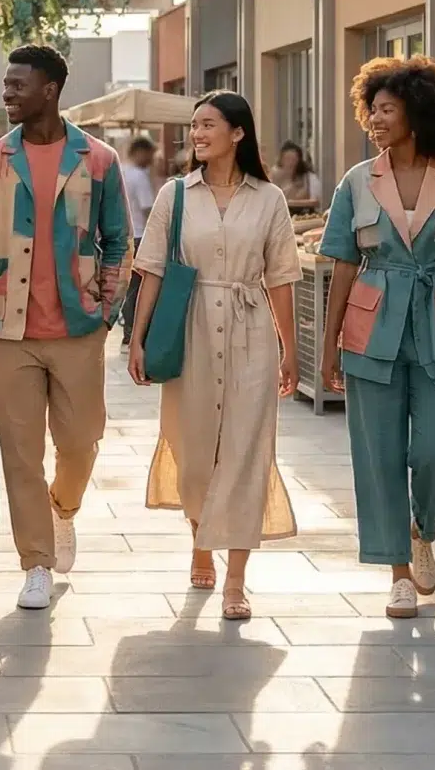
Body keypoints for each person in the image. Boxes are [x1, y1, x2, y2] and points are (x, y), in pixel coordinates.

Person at [316, 56, 435, 620]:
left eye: (386, 109)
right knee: (379, 455)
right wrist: (327, 350)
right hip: (370, 329)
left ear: (417, 113)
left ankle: (423, 524)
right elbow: (343, 265)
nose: (374, 118)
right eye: (371, 108)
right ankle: (397, 571)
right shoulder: (356, 181)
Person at [0, 44, 129, 611]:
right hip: (10, 330)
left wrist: (105, 309)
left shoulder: (98, 160)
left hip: (79, 328)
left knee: (81, 441)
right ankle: (36, 562)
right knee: (20, 451)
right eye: (6, 85)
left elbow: (117, 241)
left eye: (17, 85)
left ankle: (64, 509)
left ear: (49, 90)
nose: (6, 93)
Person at [126, 91, 299, 620]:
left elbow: (283, 278)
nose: (197, 135)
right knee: (195, 451)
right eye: (194, 127)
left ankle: (236, 581)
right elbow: (151, 268)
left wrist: (290, 349)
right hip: (191, 329)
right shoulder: (174, 195)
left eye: (207, 125)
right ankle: (201, 537)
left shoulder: (269, 199)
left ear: (237, 133)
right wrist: (137, 337)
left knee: (247, 452)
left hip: (251, 330)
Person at [122, 135, 158, 244]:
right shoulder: (139, 176)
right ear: (140, 152)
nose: (152, 160)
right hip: (139, 234)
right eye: (150, 154)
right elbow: (148, 209)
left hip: (123, 234)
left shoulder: (121, 170)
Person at [275, 142, 322, 214]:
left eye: (293, 159)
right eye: (287, 159)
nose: (290, 163)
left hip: (304, 216)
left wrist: (291, 203)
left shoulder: (309, 177)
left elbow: (315, 201)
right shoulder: (276, 176)